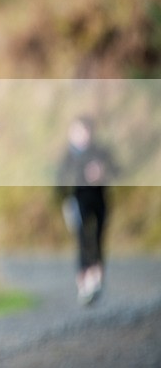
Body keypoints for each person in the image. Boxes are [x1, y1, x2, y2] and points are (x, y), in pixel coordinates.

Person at [57, 116, 117, 305]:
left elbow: (117, 171)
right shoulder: (69, 155)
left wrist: (102, 172)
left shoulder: (100, 152)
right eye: (77, 132)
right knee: (82, 239)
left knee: (98, 238)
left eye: (84, 132)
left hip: (99, 200)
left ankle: (96, 276)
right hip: (78, 201)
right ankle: (84, 281)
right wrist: (64, 200)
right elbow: (60, 181)